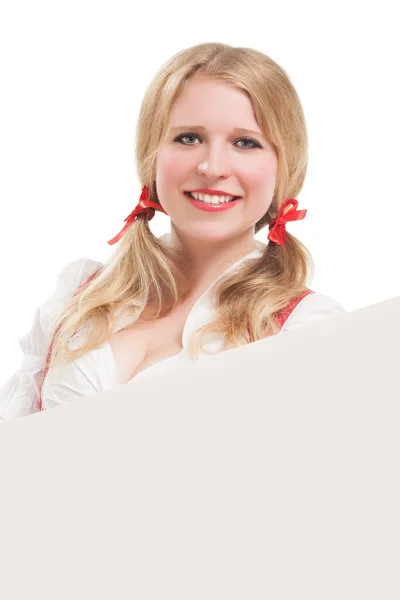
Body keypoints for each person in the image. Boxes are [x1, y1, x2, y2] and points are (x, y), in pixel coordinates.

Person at [0, 42, 346, 423]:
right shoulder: (81, 293)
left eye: (245, 142)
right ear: (153, 153)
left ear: (285, 165)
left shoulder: (306, 329)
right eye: (188, 138)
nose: (212, 167)